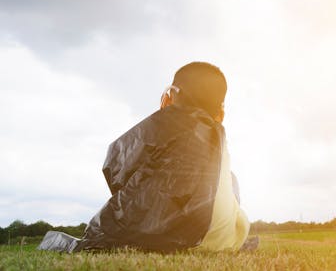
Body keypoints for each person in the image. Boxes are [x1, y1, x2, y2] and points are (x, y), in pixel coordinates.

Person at [38, 62, 256, 253]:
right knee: (230, 178)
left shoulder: (167, 122)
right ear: (221, 114)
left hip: (172, 239)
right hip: (224, 241)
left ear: (170, 96)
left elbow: (116, 167)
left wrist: (165, 110)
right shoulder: (217, 134)